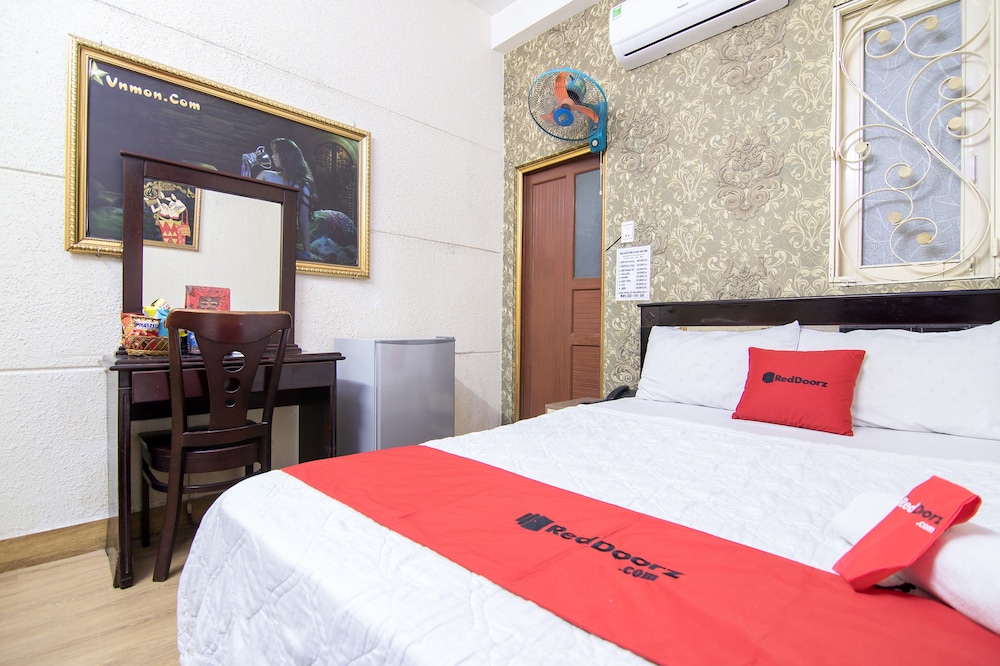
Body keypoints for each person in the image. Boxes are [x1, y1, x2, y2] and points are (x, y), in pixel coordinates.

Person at [242, 138, 316, 260]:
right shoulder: (266, 176)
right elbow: (247, 203)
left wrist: (307, 251)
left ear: (286, 155)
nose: (272, 156)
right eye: (273, 152)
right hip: (259, 232)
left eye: (276, 152)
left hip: (285, 238)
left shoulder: (303, 185)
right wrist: (247, 167)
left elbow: (303, 219)